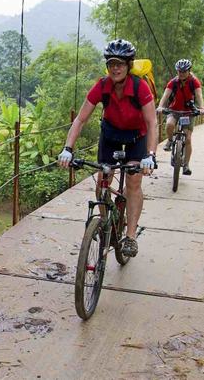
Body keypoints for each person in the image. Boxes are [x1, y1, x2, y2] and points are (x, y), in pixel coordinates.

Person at [57, 39, 157, 258]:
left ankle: (130, 236)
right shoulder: (102, 85)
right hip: (111, 135)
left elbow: (151, 122)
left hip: (136, 137)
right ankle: (104, 223)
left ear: (129, 65)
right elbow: (81, 119)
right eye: (111, 63)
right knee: (103, 179)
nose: (115, 68)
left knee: (133, 181)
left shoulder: (140, 87)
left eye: (120, 63)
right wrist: (68, 148)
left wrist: (150, 155)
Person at [156, 59, 204, 176]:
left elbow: (199, 95)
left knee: (188, 139)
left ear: (189, 71)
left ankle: (186, 165)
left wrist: (202, 108)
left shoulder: (194, 82)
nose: (181, 73)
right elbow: (165, 95)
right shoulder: (173, 82)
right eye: (179, 71)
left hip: (188, 112)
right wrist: (160, 107)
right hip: (174, 110)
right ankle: (169, 140)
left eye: (184, 71)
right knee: (169, 124)